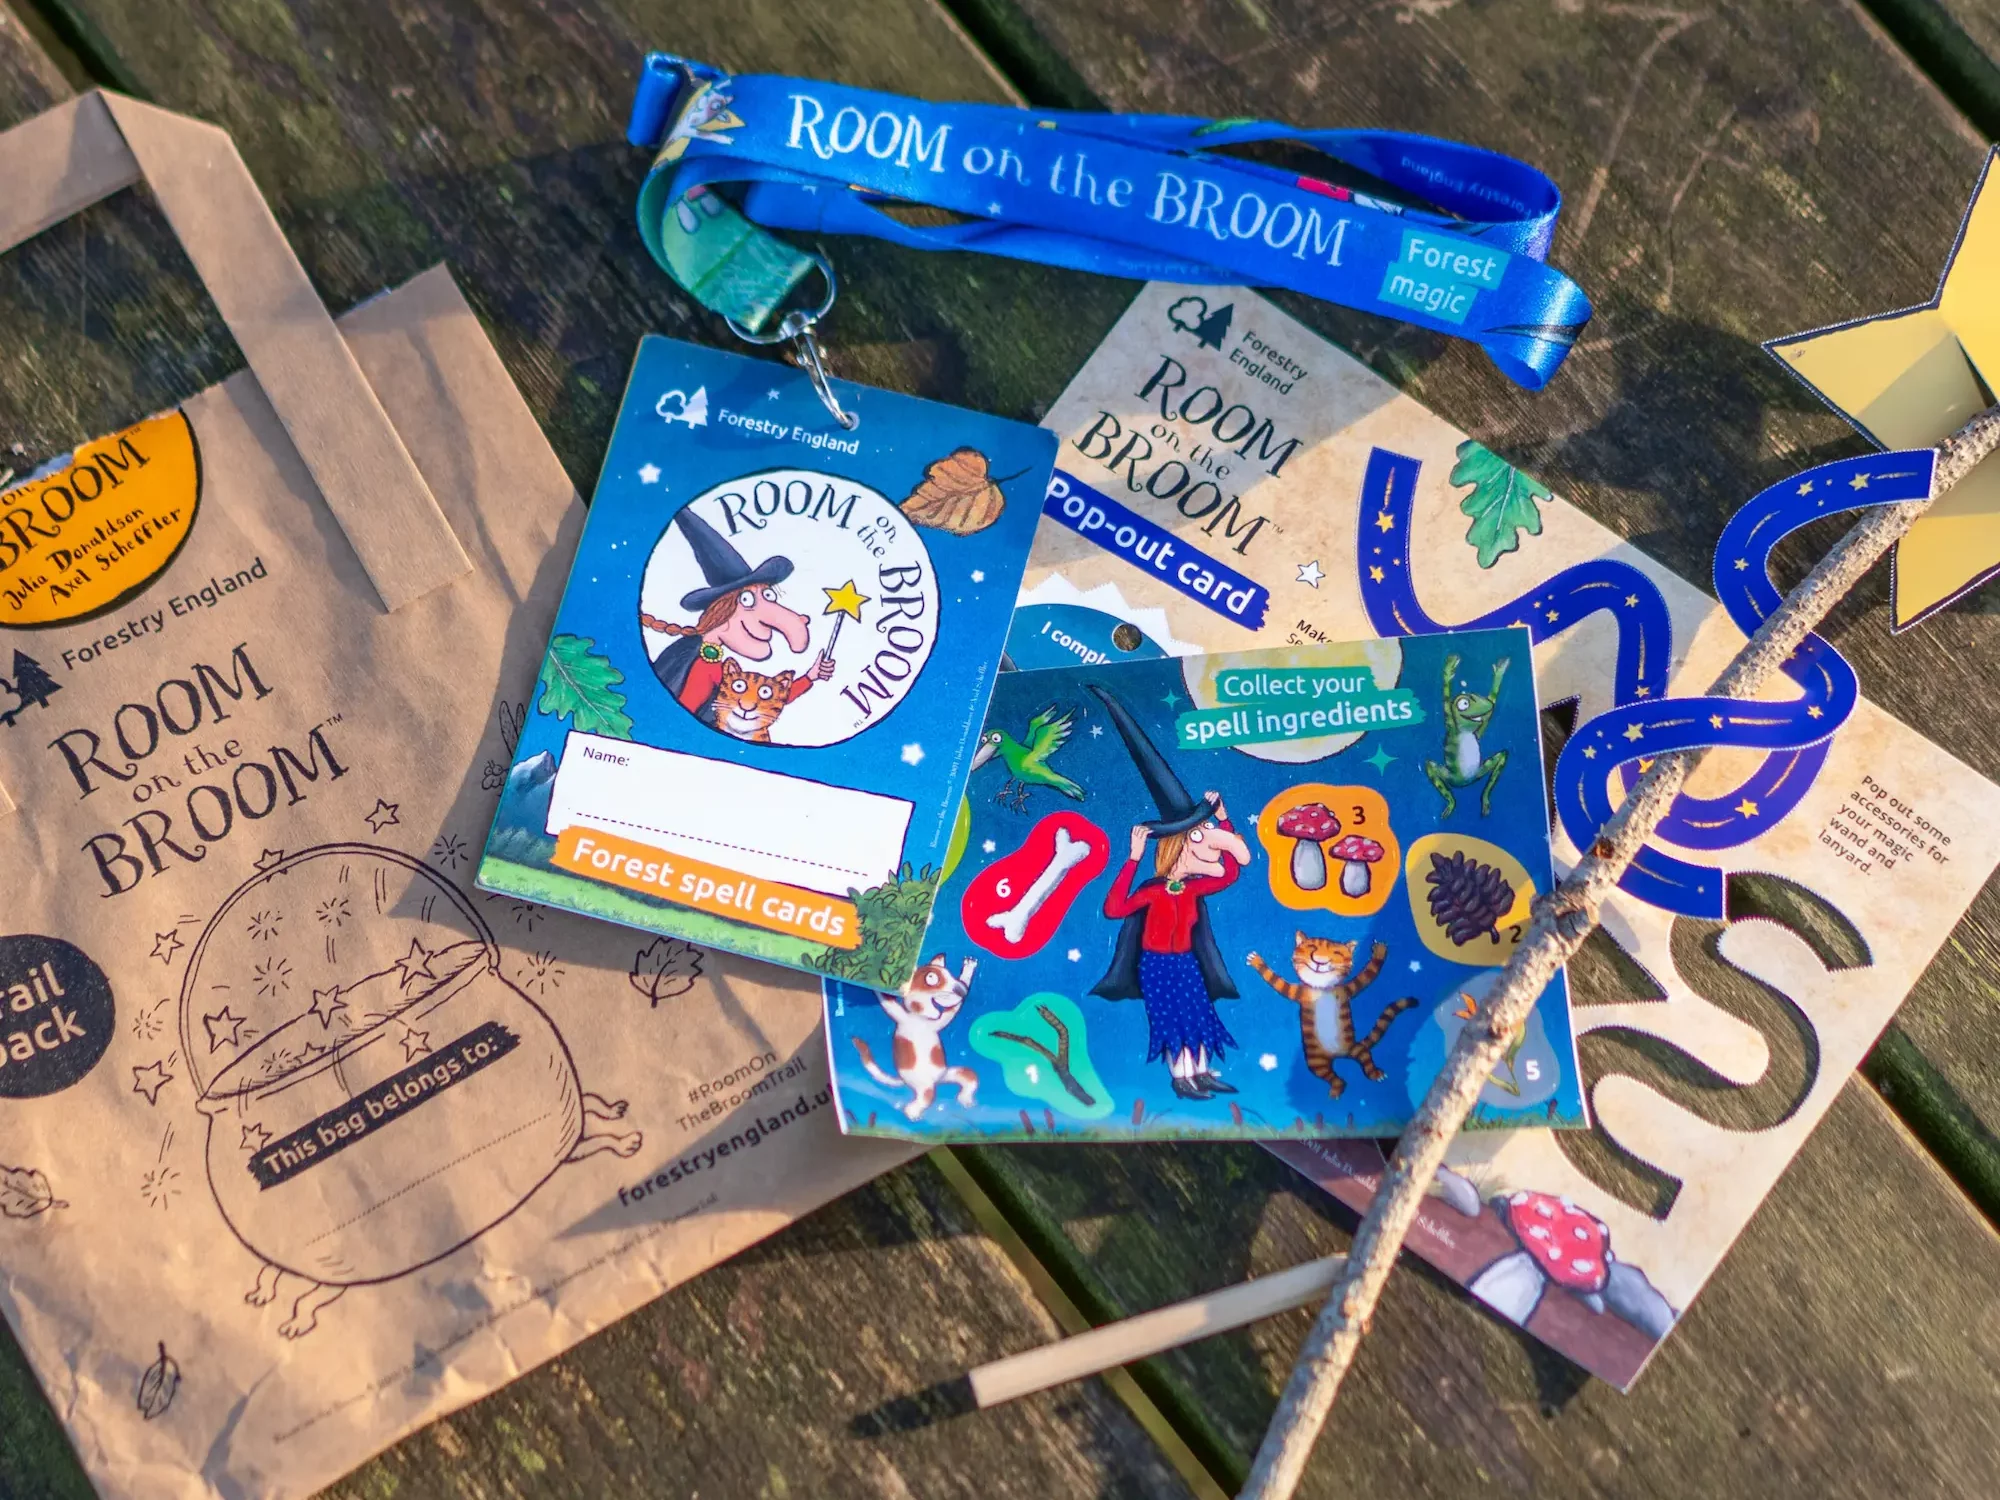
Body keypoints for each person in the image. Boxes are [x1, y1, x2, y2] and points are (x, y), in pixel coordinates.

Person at [1087, 684, 1253, 1099]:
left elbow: (1233, 872)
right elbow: (1114, 909)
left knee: (1198, 1016)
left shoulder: (1194, 888)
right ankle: (1182, 1079)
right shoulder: (1154, 890)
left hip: (1185, 963)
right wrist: (1132, 857)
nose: (1209, 839)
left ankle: (1202, 1072)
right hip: (1158, 966)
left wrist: (1226, 820)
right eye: (1200, 834)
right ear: (1178, 846)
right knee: (1174, 1021)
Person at [643, 506, 833, 724]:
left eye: (768, 595)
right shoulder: (694, 660)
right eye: (748, 600)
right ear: (722, 613)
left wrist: (810, 677)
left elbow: (762, 696)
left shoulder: (713, 665)